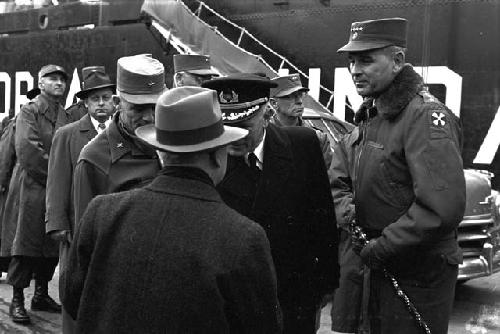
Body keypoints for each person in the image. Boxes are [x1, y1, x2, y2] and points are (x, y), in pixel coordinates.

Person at [61, 86, 282, 333]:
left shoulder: (101, 213)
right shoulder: (243, 237)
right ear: (218, 156)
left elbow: (73, 299)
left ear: (161, 152)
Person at [332, 18, 466, 334]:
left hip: (414, 273)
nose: (355, 70)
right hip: (375, 265)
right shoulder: (372, 115)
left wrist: (382, 247)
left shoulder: (423, 116)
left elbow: (440, 207)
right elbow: (342, 176)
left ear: (397, 61)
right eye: (352, 61)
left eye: (366, 59)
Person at [202, 73, 339, 334]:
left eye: (244, 125)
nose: (234, 136)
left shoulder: (303, 145)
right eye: (226, 126)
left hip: (292, 299)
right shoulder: (209, 159)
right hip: (232, 303)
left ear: (266, 114)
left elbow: (322, 220)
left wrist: (323, 287)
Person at [45, 67, 115, 334]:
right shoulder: (68, 134)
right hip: (76, 228)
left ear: (114, 101)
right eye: (95, 99)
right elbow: (57, 181)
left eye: (106, 98)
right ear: (85, 103)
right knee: (75, 290)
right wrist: (57, 224)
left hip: (110, 226)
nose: (101, 104)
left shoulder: (122, 133)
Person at [0, 64, 72, 324]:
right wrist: (58, 177)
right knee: (25, 246)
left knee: (52, 243)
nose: (59, 83)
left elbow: (70, 149)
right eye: (52, 79)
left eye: (62, 80)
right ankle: (17, 300)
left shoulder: (65, 115)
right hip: (30, 189)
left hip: (53, 189)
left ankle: (41, 294)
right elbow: (28, 151)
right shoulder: (28, 112)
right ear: (40, 84)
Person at [73, 54, 165, 224]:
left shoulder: (176, 144)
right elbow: (86, 238)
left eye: (156, 107)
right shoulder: (95, 160)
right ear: (117, 103)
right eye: (138, 109)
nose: (149, 117)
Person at [269, 74, 333, 168]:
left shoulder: (317, 137)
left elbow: (328, 177)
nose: (299, 101)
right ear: (274, 103)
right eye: (290, 96)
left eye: (300, 95)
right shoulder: (263, 135)